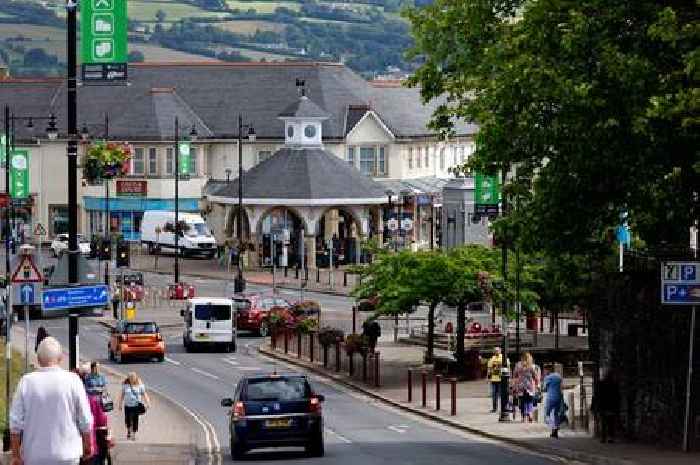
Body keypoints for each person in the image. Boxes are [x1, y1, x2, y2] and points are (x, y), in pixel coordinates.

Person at [9, 337, 93, 465]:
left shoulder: (26, 382)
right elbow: (85, 419)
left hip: (35, 457)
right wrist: (88, 446)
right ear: (60, 358)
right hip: (68, 456)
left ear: (38, 359)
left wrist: (16, 455)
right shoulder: (73, 380)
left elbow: (15, 424)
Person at [117, 372, 151, 441]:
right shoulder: (125, 385)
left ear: (136, 378)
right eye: (130, 377)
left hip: (136, 406)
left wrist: (148, 403)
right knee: (128, 420)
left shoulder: (140, 385)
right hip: (127, 406)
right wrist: (120, 404)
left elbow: (145, 394)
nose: (132, 379)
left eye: (133, 377)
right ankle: (129, 430)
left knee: (135, 420)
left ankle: (134, 434)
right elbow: (122, 395)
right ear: (128, 378)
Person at [592, 368, 620, 443]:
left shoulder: (600, 383)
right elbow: (617, 396)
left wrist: (595, 406)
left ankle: (603, 437)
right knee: (611, 422)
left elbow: (597, 395)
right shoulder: (614, 384)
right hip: (611, 405)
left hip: (603, 405)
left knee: (604, 422)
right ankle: (610, 437)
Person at [512, 352, 541, 422]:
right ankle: (530, 413)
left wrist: (513, 385)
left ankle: (523, 417)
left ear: (522, 358)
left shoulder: (518, 365)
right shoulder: (532, 366)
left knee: (522, 401)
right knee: (530, 401)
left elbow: (515, 375)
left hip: (520, 386)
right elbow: (535, 377)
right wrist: (538, 385)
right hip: (530, 386)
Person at [543, 364, 564, 438]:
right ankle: (555, 432)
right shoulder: (558, 376)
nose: (544, 372)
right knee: (556, 414)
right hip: (559, 397)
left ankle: (554, 427)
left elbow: (545, 388)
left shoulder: (547, 377)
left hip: (551, 397)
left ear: (548, 370)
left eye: (545, 371)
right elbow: (561, 387)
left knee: (547, 415)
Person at [487, 347, 504, 413]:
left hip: (501, 379)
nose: (496, 352)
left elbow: (507, 367)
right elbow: (489, 369)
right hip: (494, 379)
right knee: (494, 394)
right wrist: (488, 378)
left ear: (500, 351)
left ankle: (503, 407)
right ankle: (494, 408)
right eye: (495, 351)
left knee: (501, 394)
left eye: (497, 350)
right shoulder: (492, 359)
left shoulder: (503, 358)